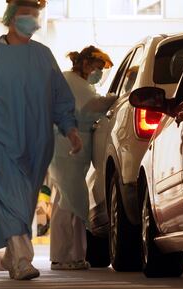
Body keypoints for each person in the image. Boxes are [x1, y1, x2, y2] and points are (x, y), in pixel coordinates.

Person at [0, 0, 82, 280]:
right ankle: (23, 260)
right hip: (1, 141)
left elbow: (60, 97)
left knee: (24, 202)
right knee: (11, 198)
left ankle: (12, 252)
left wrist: (70, 128)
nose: (34, 22)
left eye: (36, 17)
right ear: (12, 18)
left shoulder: (43, 55)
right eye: (28, 16)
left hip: (38, 142)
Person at [49, 45, 116, 270]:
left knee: (68, 200)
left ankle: (73, 256)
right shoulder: (71, 82)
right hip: (67, 146)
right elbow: (90, 108)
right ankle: (63, 256)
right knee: (71, 200)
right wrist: (112, 100)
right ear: (86, 64)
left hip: (72, 148)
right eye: (97, 68)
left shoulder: (78, 83)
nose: (98, 73)